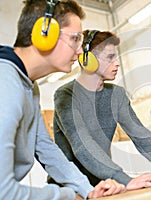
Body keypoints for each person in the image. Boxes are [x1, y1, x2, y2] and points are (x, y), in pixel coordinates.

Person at [0, 1, 126, 199]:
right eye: (75, 39)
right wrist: (68, 196)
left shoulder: (28, 85)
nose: (79, 51)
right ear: (44, 34)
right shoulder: (5, 83)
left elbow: (46, 149)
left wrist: (88, 191)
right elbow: (3, 191)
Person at [48, 29, 151, 190]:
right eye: (110, 57)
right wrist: (125, 180)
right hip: (69, 188)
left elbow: (141, 136)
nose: (117, 63)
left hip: (103, 184)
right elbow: (82, 145)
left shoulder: (116, 94)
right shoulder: (66, 95)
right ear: (87, 59)